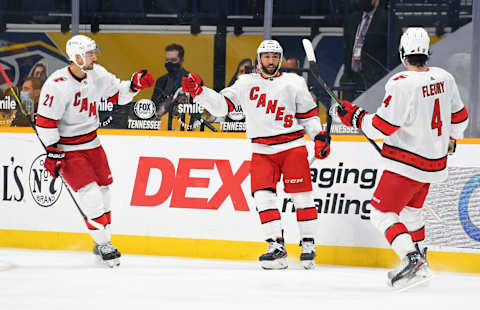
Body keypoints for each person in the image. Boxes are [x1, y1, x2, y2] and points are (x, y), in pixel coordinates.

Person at [336, 27, 468, 289]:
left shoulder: (400, 83)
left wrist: (352, 115)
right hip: (434, 164)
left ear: (402, 53)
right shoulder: (444, 78)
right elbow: (460, 117)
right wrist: (452, 139)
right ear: (427, 52)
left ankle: (412, 259)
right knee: (411, 212)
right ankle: (422, 259)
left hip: (407, 165)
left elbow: (382, 127)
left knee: (380, 213)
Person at [182, 40, 330, 270]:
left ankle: (308, 245)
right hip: (262, 150)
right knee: (263, 198)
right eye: (266, 56)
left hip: (292, 147)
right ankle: (276, 246)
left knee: (302, 198)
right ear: (258, 58)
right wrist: (200, 93)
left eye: (274, 56)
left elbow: (309, 117)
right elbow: (221, 107)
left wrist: (318, 136)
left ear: (279, 59)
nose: (270, 61)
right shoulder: (245, 82)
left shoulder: (294, 82)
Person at [35, 34, 154, 267]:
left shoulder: (96, 73)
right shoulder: (56, 85)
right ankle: (104, 243)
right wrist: (52, 149)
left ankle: (101, 238)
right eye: (90, 54)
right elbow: (45, 122)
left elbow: (117, 94)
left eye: (93, 53)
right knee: (90, 196)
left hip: (93, 144)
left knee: (105, 193)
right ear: (77, 56)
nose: (95, 57)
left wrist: (134, 85)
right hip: (69, 149)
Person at [340, 0, 400, 100]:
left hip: (376, 81)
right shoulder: (352, 19)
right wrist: (347, 76)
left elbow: (395, 53)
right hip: (352, 80)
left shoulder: (388, 20)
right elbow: (348, 49)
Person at [151, 43, 205, 131]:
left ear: (181, 60)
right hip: (162, 127)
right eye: (167, 60)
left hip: (188, 126)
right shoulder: (161, 81)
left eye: (173, 60)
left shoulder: (193, 80)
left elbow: (200, 108)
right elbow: (153, 106)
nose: (169, 63)